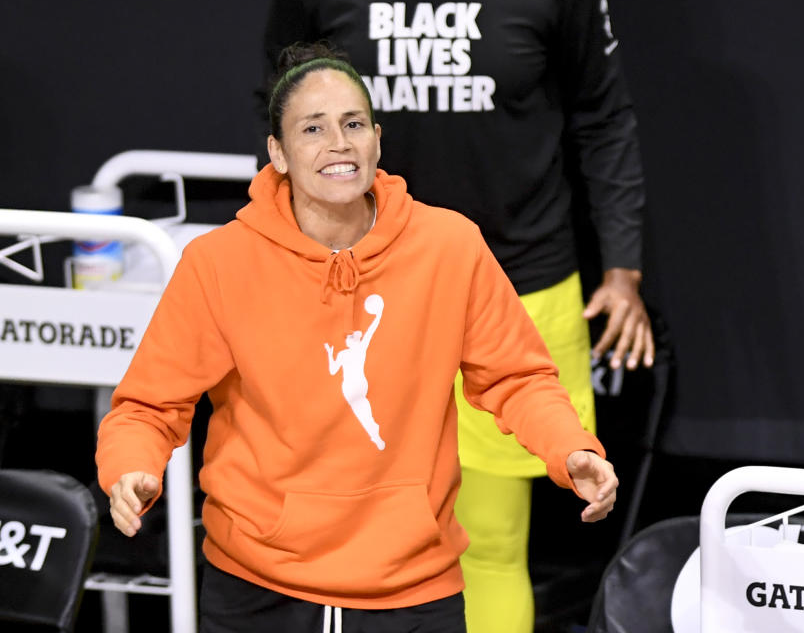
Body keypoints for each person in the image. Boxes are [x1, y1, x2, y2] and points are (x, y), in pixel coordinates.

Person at [97, 43, 618, 633]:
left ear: (377, 138)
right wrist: (131, 466)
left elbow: (517, 378)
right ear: (278, 153)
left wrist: (570, 448)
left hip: (412, 589)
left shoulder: (450, 246)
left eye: (352, 124)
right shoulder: (218, 262)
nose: (338, 143)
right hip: (256, 588)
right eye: (312, 128)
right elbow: (149, 404)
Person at [261, 0, 653, 631]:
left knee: (490, 544)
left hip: (518, 283)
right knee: (342, 535)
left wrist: (622, 270)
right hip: (354, 283)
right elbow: (280, 104)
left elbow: (603, 117)